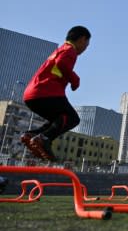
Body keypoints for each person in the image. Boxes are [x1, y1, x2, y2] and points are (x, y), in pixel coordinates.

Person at [20, 26, 91, 161]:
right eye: (86, 45)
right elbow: (62, 64)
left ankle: (31, 135)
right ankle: (44, 139)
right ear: (82, 39)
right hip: (46, 92)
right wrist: (75, 80)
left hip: (31, 95)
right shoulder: (70, 50)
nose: (85, 49)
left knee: (58, 120)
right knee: (73, 118)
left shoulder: (60, 50)